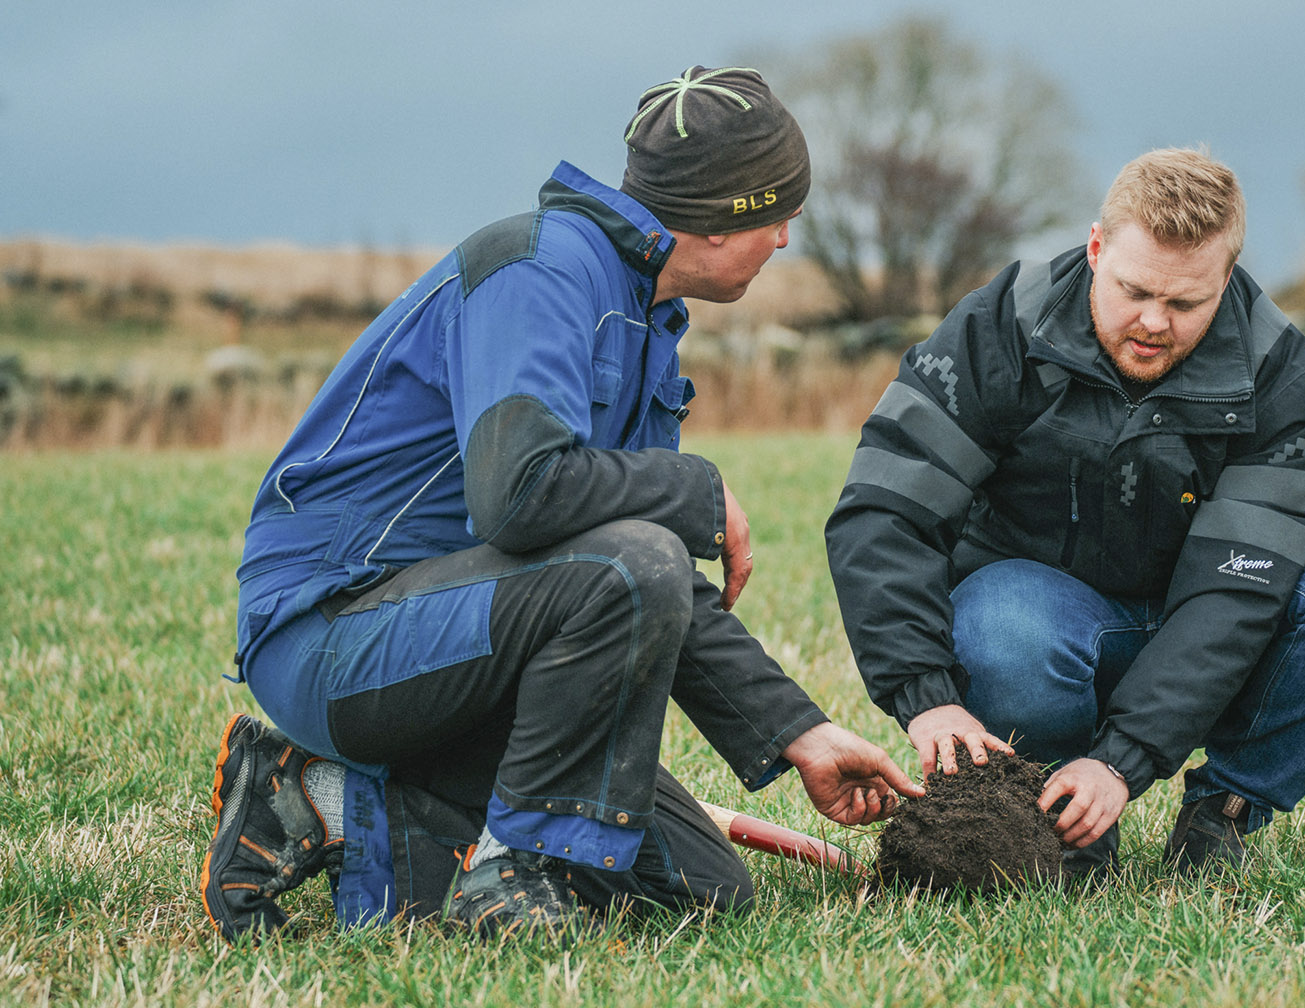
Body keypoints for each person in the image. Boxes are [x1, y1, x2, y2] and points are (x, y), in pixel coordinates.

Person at [200, 65, 921, 942]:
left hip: (459, 641)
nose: (783, 241)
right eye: (780, 215)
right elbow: (523, 497)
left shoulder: (643, 316)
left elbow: (627, 573)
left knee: (700, 894)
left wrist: (800, 733)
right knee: (638, 563)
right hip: (336, 634)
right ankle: (515, 871)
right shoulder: (538, 271)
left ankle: (313, 801)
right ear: (729, 213)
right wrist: (694, 490)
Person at [824, 148, 1305, 880]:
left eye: (1185, 304)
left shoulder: (1278, 372)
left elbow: (1236, 592)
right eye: (1134, 290)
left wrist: (1123, 761)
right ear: (1095, 247)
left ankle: (1226, 813)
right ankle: (1062, 827)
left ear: (1227, 277)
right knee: (1001, 622)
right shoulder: (998, 332)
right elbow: (884, 512)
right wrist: (924, 697)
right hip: (1040, 625)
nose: (1153, 322)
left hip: (1212, 627)